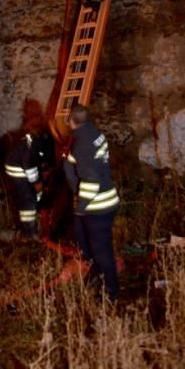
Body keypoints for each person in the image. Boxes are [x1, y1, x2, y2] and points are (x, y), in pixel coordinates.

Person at [63, 103, 120, 301]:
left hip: (97, 206)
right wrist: (69, 160)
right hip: (102, 201)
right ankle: (97, 273)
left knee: (101, 249)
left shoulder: (83, 145)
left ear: (72, 121)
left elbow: (92, 180)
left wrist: (81, 207)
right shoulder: (93, 133)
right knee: (82, 241)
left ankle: (111, 291)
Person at [5, 130, 46, 237]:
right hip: (17, 169)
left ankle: (29, 230)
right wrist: (36, 182)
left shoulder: (35, 141)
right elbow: (29, 165)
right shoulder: (33, 146)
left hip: (18, 166)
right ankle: (29, 233)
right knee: (28, 198)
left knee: (31, 196)